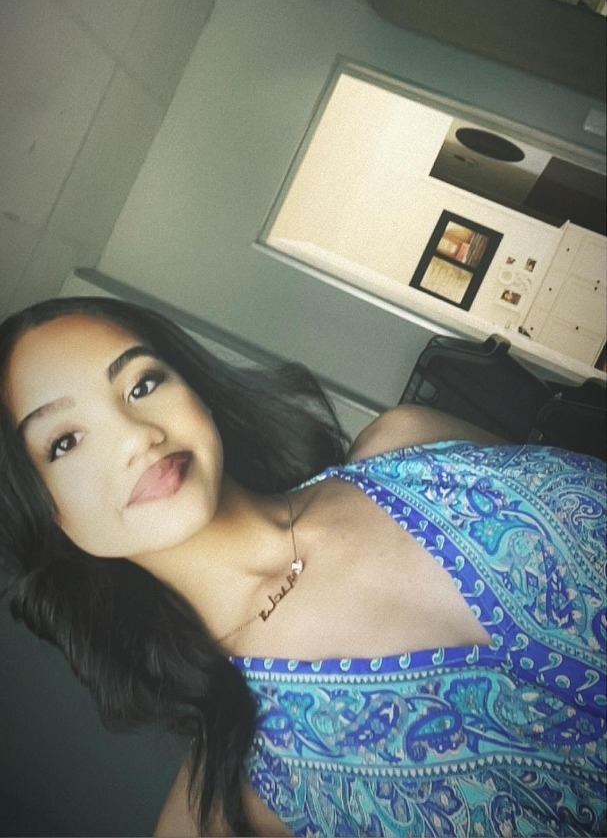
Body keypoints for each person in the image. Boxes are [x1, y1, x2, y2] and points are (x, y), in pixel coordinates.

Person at [0, 296, 604, 838]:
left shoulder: (413, 441)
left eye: (141, 384)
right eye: (65, 442)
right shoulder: (230, 808)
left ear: (193, 385)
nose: (136, 436)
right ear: (40, 515)